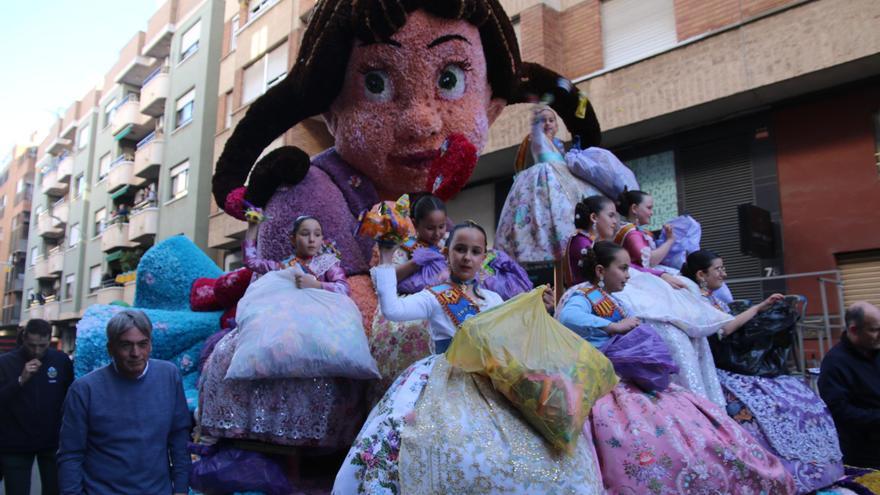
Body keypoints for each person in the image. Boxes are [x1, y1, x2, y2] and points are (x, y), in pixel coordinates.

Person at [334, 221, 603, 494]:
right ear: (447, 253)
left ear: (484, 258)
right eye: (460, 249)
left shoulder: (494, 299)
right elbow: (392, 310)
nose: (467, 257)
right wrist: (388, 257)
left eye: (475, 252)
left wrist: (540, 313)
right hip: (444, 377)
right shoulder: (434, 297)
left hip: (492, 378)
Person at [558, 242, 796, 494]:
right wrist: (612, 327)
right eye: (623, 268)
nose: (628, 275)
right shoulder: (584, 294)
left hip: (625, 378)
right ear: (599, 271)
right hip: (604, 381)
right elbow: (568, 318)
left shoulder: (610, 299)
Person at [199, 215, 366, 448]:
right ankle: (238, 424)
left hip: (318, 321)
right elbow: (252, 262)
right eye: (305, 234)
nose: (312, 240)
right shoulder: (283, 266)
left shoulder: (328, 264)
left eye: (317, 234)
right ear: (293, 238)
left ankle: (314, 432)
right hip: (279, 319)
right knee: (227, 351)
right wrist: (252, 229)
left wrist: (317, 285)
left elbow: (342, 288)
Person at [683, 249, 844, 492]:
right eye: (718, 269)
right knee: (764, 409)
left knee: (790, 395)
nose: (724, 273)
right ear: (701, 274)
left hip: (735, 367)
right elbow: (724, 329)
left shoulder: (713, 298)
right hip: (719, 371)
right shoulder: (696, 299)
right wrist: (758, 309)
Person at [58, 310, 191, 494]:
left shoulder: (168, 376)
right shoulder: (84, 390)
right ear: (110, 348)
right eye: (126, 345)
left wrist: (181, 489)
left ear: (150, 345)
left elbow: (179, 438)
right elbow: (71, 454)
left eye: (142, 344)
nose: (135, 353)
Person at [0, 319, 73, 495]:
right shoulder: (5, 363)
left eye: (42, 345)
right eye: (32, 345)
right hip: (15, 443)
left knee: (54, 489)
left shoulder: (60, 360)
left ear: (49, 340)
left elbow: (70, 396)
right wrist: (20, 380)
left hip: (52, 442)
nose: (37, 351)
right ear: (24, 338)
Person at [819, 301, 880, 469]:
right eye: (874, 330)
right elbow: (839, 411)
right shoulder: (835, 363)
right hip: (865, 453)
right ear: (853, 330)